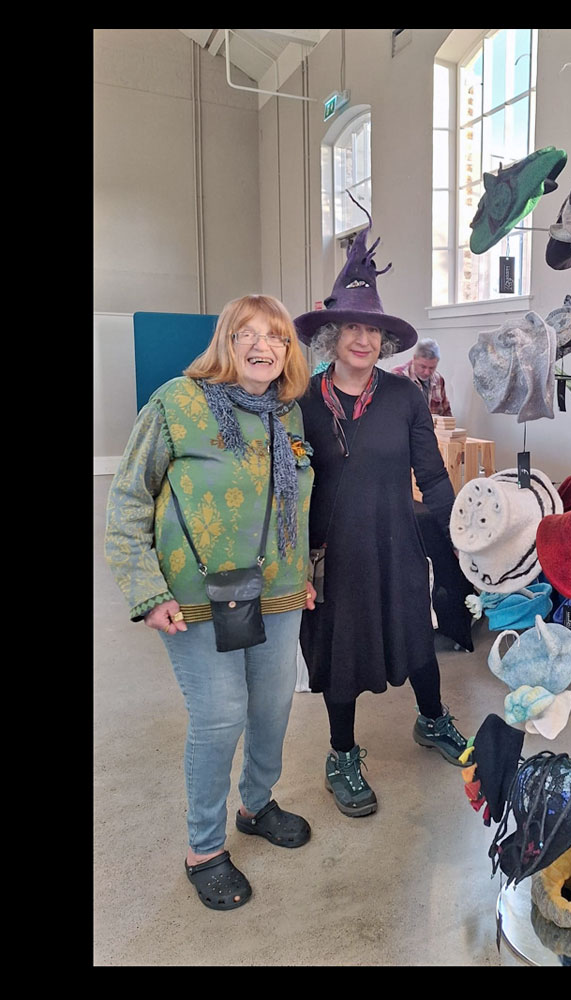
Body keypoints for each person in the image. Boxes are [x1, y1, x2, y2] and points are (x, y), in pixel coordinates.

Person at [105, 294, 318, 911]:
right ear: (225, 341)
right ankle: (204, 847)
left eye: (275, 336)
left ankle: (257, 805)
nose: (262, 346)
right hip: (197, 596)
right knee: (221, 715)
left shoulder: (288, 414)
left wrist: (302, 573)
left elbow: (292, 503)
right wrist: (147, 591)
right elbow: (128, 499)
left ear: (287, 350)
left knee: (273, 708)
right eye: (246, 333)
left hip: (278, 593)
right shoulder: (175, 403)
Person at [294, 201, 467, 818]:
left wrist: (459, 538)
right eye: (352, 327)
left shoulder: (404, 396)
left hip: (396, 542)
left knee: (415, 635)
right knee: (339, 649)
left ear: (385, 339)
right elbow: (286, 487)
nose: (363, 339)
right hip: (332, 551)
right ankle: (341, 754)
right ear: (331, 336)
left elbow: (432, 474)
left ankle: (432, 719)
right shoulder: (301, 402)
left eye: (373, 330)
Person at [392, 338, 453, 416]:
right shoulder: (398, 376)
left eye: (432, 368)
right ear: (414, 358)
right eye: (423, 367)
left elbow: (446, 413)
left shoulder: (438, 380)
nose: (427, 372)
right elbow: (392, 411)